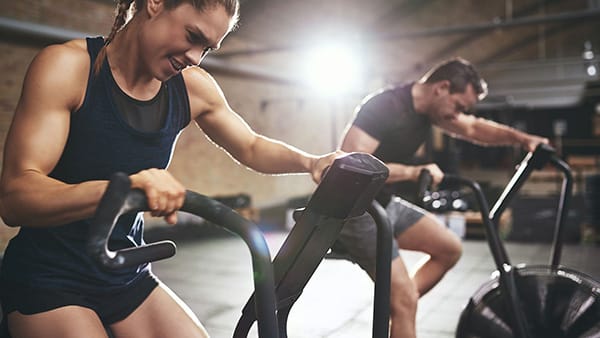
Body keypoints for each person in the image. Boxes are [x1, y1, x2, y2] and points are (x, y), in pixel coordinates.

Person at [0, 1, 342, 337]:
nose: (195, 57)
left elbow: (251, 146)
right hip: (48, 275)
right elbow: (16, 197)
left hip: (124, 271)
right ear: (155, 3)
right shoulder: (68, 68)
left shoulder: (193, 87)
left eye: (207, 48)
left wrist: (312, 162)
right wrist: (125, 188)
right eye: (192, 35)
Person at [337, 57, 549, 338]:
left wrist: (523, 140)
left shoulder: (429, 112)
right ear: (442, 88)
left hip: (384, 202)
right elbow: (349, 164)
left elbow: (474, 128)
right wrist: (413, 172)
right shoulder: (385, 106)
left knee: (449, 248)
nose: (457, 115)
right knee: (404, 301)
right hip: (353, 209)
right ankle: (401, 303)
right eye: (458, 106)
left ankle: (400, 302)